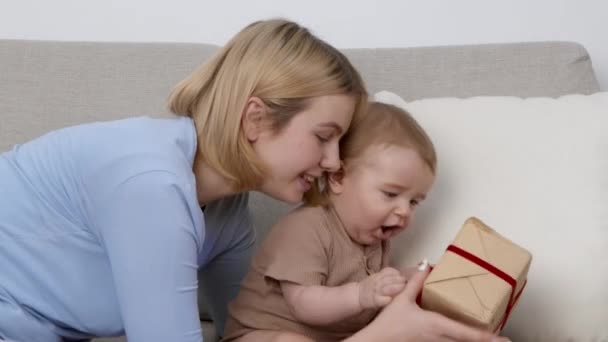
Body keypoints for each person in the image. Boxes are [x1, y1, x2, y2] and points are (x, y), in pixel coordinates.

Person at [0, 19, 366, 342]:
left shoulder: (229, 210)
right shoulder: (152, 185)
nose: (333, 161)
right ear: (255, 119)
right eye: (323, 136)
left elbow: (243, 330)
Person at [223, 102, 510, 342]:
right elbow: (304, 304)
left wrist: (416, 279)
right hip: (262, 334)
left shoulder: (375, 239)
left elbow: (378, 288)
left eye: (413, 202)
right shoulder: (305, 228)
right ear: (338, 178)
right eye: (390, 194)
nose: (403, 212)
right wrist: (361, 295)